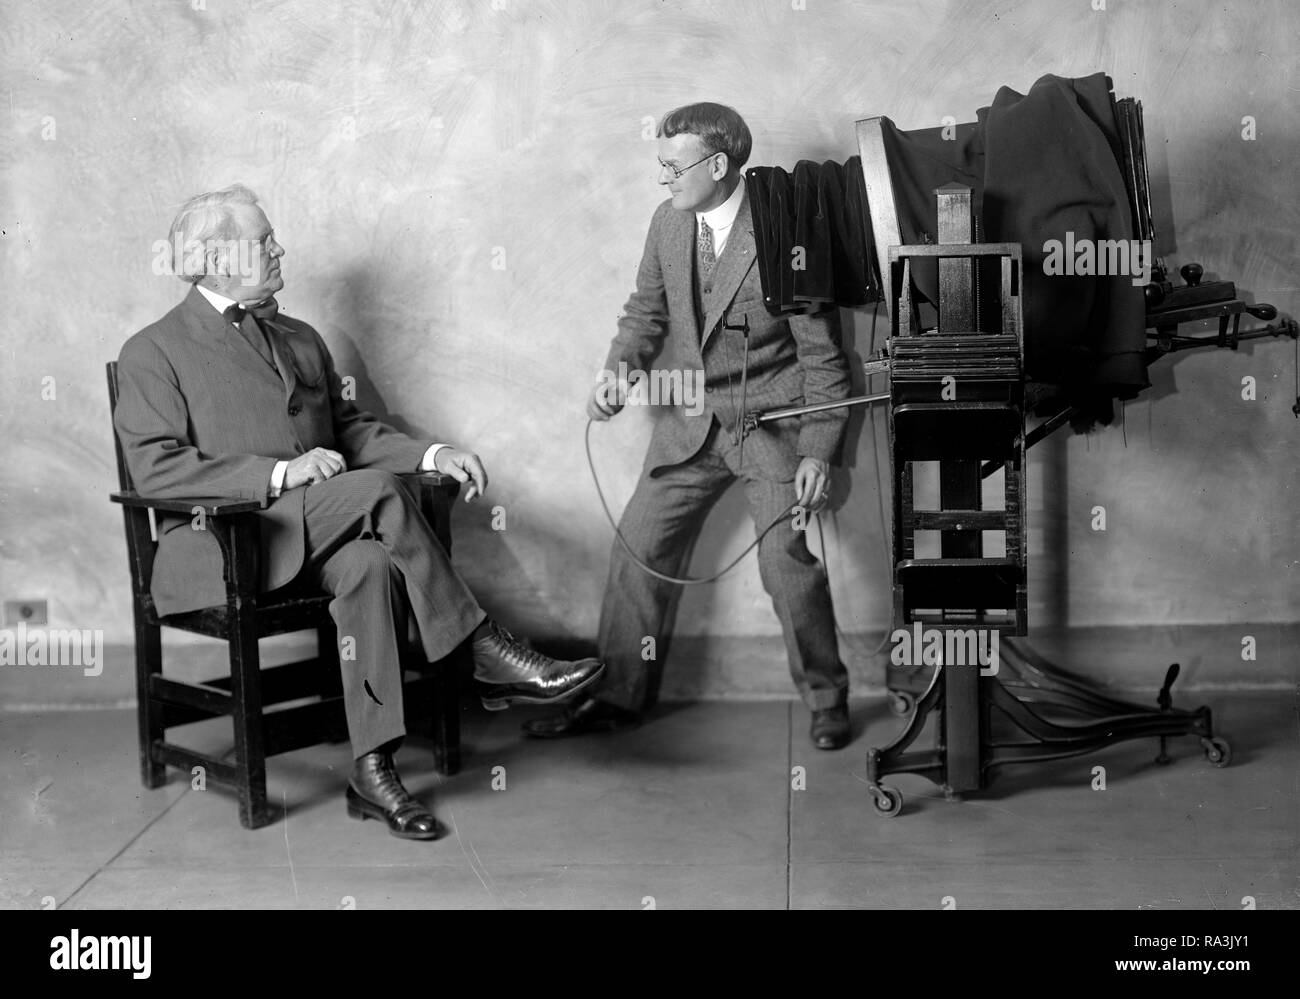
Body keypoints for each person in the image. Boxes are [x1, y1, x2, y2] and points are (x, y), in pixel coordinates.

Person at [113, 185, 604, 840]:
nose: (278, 248)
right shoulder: (156, 350)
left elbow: (351, 432)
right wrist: (282, 472)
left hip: (317, 532)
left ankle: (372, 770)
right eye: (263, 241)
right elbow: (157, 468)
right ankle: (481, 648)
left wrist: (433, 453)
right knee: (376, 492)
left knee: (371, 562)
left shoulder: (299, 337)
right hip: (224, 545)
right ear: (216, 257)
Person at [523, 103, 855, 750]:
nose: (663, 180)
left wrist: (818, 451)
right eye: (661, 166)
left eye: (673, 167)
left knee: (784, 562)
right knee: (639, 545)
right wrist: (619, 370)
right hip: (689, 425)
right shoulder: (668, 224)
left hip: (772, 425)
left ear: (719, 164)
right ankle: (618, 695)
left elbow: (823, 357)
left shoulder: (786, 232)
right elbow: (646, 311)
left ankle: (827, 697)